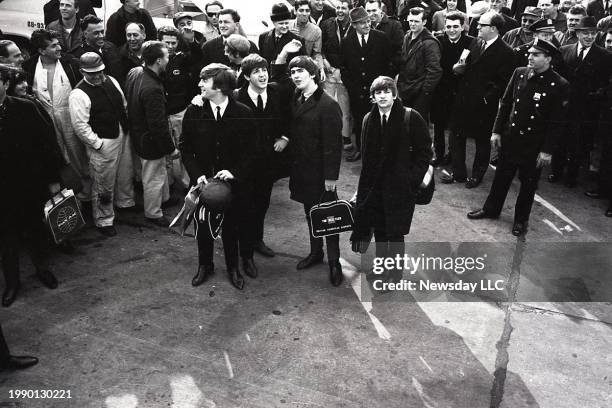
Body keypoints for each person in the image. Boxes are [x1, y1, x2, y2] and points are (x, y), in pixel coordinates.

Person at [467, 40, 570, 236]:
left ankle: (521, 220)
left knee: (528, 183)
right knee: (501, 177)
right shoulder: (519, 73)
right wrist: (496, 131)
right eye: (530, 53)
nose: (530, 57)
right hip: (511, 138)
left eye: (536, 55)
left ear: (548, 59)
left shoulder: (559, 84)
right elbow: (505, 104)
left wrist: (547, 151)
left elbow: (557, 123)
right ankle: (491, 209)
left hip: (534, 143)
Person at [180, 64, 255, 290]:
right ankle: (205, 265)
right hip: (204, 183)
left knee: (232, 227)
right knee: (203, 226)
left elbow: (253, 151)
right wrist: (198, 175)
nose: (200, 84)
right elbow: (185, 147)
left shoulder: (243, 113)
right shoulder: (194, 111)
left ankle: (233, 267)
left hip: (234, 185)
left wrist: (235, 173)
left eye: (205, 80)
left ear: (220, 86)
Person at [350, 76, 432, 283]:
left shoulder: (411, 117)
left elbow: (425, 153)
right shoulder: (369, 119)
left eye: (387, 91)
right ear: (373, 97)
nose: (383, 96)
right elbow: (367, 160)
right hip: (375, 188)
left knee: (395, 234)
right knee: (379, 231)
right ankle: (380, 269)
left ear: (394, 94)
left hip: (400, 189)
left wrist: (411, 181)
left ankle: (394, 276)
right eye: (378, 92)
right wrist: (362, 190)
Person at [0, 64, 64, 307]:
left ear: (6, 85)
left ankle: (42, 269)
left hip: (28, 184)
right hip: (2, 190)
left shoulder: (26, 108)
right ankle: (12, 282)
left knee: (36, 230)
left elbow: (47, 145)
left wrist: (53, 180)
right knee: (7, 238)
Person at [442, 11, 515, 188]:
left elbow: (503, 83)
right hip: (463, 98)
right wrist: (458, 69)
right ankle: (458, 172)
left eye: (482, 25)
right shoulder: (476, 42)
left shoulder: (506, 52)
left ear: (493, 28)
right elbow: (466, 64)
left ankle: (477, 175)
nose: (477, 27)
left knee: (482, 141)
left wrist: (485, 98)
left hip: (483, 105)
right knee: (456, 135)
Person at [288, 56, 343, 286]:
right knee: (311, 213)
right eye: (293, 72)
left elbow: (334, 145)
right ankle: (315, 252)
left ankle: (334, 261)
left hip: (321, 174)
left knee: (328, 217)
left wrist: (331, 177)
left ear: (312, 74)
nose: (296, 76)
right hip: (303, 170)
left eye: (301, 71)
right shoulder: (297, 97)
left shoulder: (328, 104)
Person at [69, 52, 135, 236]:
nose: (97, 76)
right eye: (92, 73)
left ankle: (125, 204)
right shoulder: (78, 94)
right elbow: (80, 126)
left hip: (121, 133)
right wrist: (97, 144)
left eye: (100, 71)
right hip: (103, 142)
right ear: (82, 71)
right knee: (103, 184)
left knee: (125, 173)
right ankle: (104, 220)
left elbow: (123, 104)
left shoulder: (111, 80)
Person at [233, 54, 291, 258]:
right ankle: (243, 247)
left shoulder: (277, 92)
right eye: (256, 72)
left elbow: (288, 116)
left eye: (264, 70)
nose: (262, 75)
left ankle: (257, 240)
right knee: (244, 205)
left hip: (268, 164)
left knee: (262, 203)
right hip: (244, 165)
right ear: (247, 76)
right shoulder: (237, 97)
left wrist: (284, 137)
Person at [22, 29, 89, 203]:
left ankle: (87, 196)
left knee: (79, 156)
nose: (59, 47)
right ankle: (67, 201)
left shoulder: (70, 64)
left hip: (71, 119)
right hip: (47, 123)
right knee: (56, 160)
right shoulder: (29, 67)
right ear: (41, 51)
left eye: (58, 43)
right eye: (53, 46)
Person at [549, 16, 612, 187]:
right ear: (577, 33)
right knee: (561, 139)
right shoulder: (564, 50)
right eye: (585, 33)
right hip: (565, 105)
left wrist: (595, 96)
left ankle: (572, 176)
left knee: (579, 143)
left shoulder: (605, 56)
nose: (589, 37)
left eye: (593, 33)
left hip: (587, 108)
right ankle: (556, 171)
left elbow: (605, 84)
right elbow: (557, 77)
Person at [125, 41, 179, 226]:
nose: (169, 59)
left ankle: (163, 200)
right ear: (158, 61)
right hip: (150, 141)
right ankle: (154, 213)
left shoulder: (135, 72)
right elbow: (157, 125)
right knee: (153, 178)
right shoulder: (153, 89)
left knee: (157, 173)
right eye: (166, 56)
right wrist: (171, 149)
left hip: (139, 135)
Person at [341, 6, 393, 162]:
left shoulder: (381, 38)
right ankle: (363, 152)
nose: (366, 25)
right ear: (354, 25)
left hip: (378, 91)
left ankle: (382, 155)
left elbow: (389, 64)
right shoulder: (347, 41)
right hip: (357, 92)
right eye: (362, 23)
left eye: (368, 21)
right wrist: (352, 88)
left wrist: (383, 87)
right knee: (360, 121)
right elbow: (344, 68)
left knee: (381, 122)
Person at [431, 11, 475, 166]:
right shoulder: (438, 40)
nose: (451, 30)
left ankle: (452, 154)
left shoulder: (471, 42)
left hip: (459, 91)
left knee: (455, 126)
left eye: (455, 26)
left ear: (462, 27)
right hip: (440, 90)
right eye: (448, 26)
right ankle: (438, 154)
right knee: (438, 125)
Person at [158, 26, 195, 190]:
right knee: (166, 152)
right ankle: (170, 184)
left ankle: (187, 184)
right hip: (162, 114)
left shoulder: (183, 59)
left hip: (180, 112)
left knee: (183, 149)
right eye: (167, 42)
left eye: (174, 42)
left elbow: (197, 59)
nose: (171, 46)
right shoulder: (154, 60)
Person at [397, 7, 442, 123]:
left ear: (424, 22)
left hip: (419, 93)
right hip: (406, 89)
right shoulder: (407, 36)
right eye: (411, 20)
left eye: (416, 21)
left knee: (418, 127)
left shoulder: (430, 43)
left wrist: (424, 93)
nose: (412, 24)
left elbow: (435, 71)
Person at [320, 0, 353, 149]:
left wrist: (343, 70)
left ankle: (346, 138)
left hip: (346, 73)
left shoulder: (355, 26)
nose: (340, 11)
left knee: (345, 109)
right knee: (327, 107)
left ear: (349, 10)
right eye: (338, 8)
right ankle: (328, 139)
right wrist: (325, 62)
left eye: (343, 8)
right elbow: (320, 48)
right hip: (329, 72)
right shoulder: (327, 24)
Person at [70, 15, 124, 83]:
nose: (101, 36)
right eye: (96, 33)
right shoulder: (77, 55)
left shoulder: (111, 48)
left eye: (102, 32)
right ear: (85, 34)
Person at [259, 3, 307, 68]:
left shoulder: (298, 40)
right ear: (273, 23)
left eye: (287, 23)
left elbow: (303, 63)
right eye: (281, 23)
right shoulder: (263, 37)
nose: (284, 26)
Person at [365, 0, 405, 70]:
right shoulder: (362, 27)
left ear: (381, 10)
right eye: (368, 11)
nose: (371, 14)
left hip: (387, 71)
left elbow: (400, 51)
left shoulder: (394, 26)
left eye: (374, 10)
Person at [291, 0, 325, 70]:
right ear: (295, 11)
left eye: (307, 11)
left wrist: (321, 68)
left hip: (304, 67)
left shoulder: (316, 31)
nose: (304, 14)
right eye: (301, 10)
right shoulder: (286, 26)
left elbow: (317, 54)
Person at [118, 22, 146, 87]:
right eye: (129, 35)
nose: (132, 39)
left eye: (135, 35)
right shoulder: (119, 56)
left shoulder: (153, 52)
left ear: (144, 35)